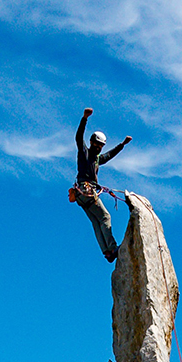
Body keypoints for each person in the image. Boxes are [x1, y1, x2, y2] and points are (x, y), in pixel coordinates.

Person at [72, 107, 132, 263]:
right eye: (98, 145)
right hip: (86, 190)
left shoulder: (97, 159)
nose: (99, 148)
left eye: (101, 146)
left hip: (81, 194)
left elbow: (109, 155)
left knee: (96, 221)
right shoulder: (84, 152)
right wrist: (84, 118)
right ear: (92, 142)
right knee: (105, 217)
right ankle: (112, 248)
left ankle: (107, 252)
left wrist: (122, 145)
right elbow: (79, 138)